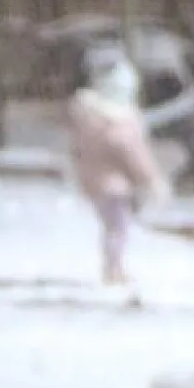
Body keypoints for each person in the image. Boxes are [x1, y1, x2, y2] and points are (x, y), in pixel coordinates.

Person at [68, 46, 169, 289]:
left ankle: (112, 266)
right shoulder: (117, 123)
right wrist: (151, 179)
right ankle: (114, 268)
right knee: (119, 227)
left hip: (95, 182)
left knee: (113, 226)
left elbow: (79, 151)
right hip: (115, 185)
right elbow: (134, 154)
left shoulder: (88, 118)